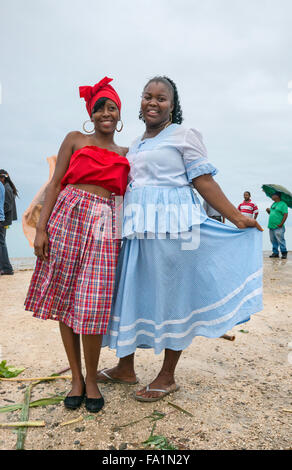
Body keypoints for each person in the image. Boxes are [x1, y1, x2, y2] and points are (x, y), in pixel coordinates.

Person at [99, 76, 263, 402]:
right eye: (148, 96)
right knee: (133, 292)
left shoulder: (184, 136)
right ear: (140, 102)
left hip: (176, 230)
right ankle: (125, 367)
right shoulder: (136, 143)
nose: (153, 103)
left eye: (161, 98)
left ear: (172, 106)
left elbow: (203, 181)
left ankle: (167, 375)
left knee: (173, 298)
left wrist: (236, 217)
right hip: (137, 231)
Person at [24, 77, 130, 412]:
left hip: (105, 225)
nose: (105, 113)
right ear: (91, 114)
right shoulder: (74, 139)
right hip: (67, 216)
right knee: (65, 298)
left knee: (92, 304)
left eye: (111, 107)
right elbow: (55, 184)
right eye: (99, 108)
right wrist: (41, 230)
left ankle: (94, 381)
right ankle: (76, 378)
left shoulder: (127, 152)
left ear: (119, 113)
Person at [0, 170, 18, 275]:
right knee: (2, 242)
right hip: (5, 220)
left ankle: (6, 268)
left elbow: (6, 206)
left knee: (1, 243)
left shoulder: (6, 189)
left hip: (3, 221)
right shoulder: (7, 188)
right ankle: (4, 267)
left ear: (3, 178)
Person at [266, 192, 288, 259]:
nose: (271, 196)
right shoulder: (273, 204)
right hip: (271, 226)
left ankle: (284, 253)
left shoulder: (283, 204)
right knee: (273, 240)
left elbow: (285, 214)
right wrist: (268, 211)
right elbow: (272, 214)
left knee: (280, 240)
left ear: (277, 196)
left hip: (278, 226)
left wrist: (281, 223)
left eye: (273, 195)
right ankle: (275, 253)